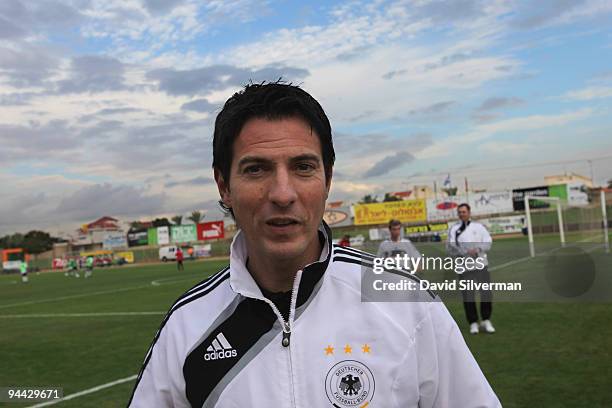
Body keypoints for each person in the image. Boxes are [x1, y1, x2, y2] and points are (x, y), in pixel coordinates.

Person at [129, 82, 500, 407]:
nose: (283, 193)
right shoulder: (185, 328)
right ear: (224, 185)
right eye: (256, 169)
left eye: (303, 167)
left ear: (327, 179)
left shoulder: (406, 304)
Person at [446, 203, 495, 335]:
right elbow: (450, 246)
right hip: (464, 267)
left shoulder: (478, 227)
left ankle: (486, 320)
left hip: (481, 265)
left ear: (469, 212)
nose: (462, 214)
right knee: (468, 295)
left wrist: (478, 249)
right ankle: (473, 322)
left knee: (486, 294)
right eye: (460, 212)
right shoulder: (454, 229)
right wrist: (466, 251)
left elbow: (488, 240)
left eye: (464, 211)